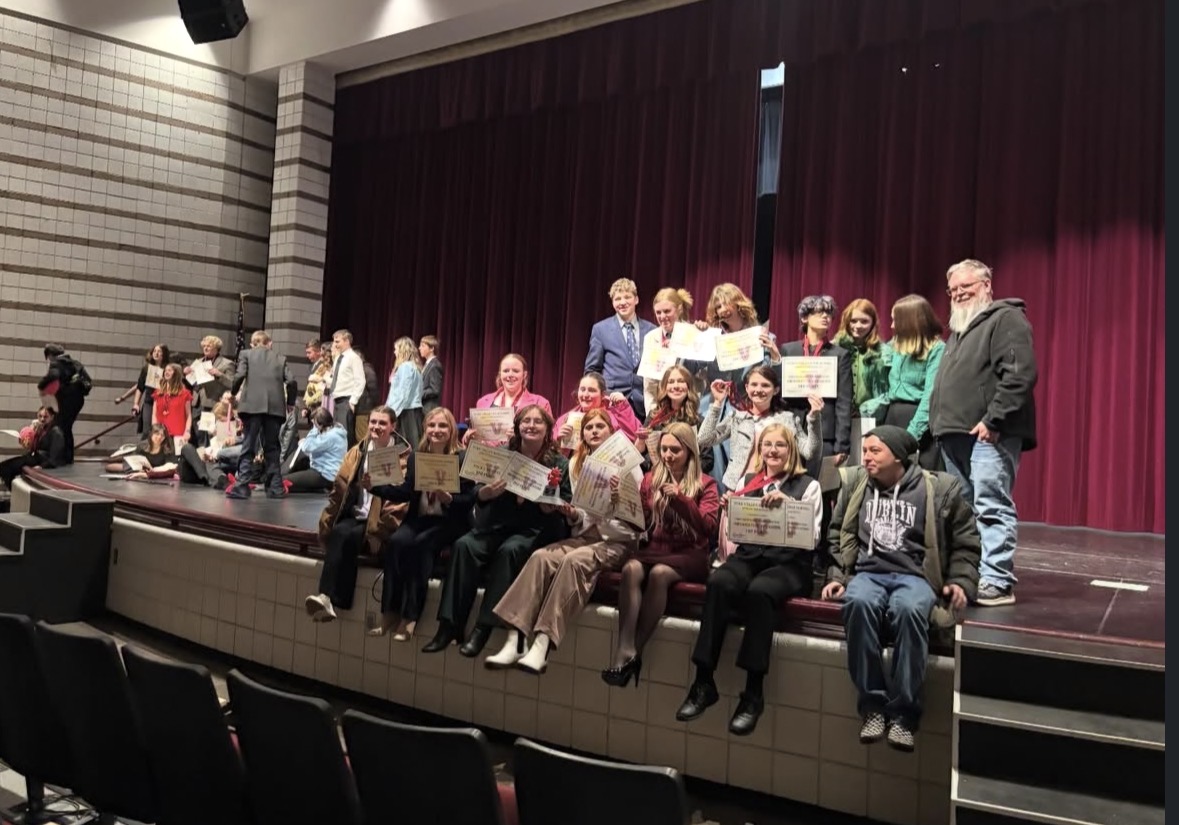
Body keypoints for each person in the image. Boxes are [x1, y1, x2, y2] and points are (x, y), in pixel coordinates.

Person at [821, 425, 980, 751]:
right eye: (864, 451)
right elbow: (837, 533)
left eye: (874, 451)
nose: (865, 457)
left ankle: (905, 714)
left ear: (898, 455)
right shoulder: (856, 485)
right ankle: (873, 707)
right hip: (867, 574)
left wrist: (961, 581)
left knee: (909, 610)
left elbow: (966, 542)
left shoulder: (938, 489)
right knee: (858, 603)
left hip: (916, 578)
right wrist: (838, 576)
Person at [676, 424, 821, 735]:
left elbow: (814, 537)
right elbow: (736, 536)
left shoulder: (808, 486)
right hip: (751, 557)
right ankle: (703, 681)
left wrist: (789, 507)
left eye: (779, 445)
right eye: (766, 445)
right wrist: (732, 512)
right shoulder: (746, 481)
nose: (772, 451)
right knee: (718, 582)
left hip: (789, 563)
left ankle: (753, 693)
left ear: (791, 449)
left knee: (760, 592)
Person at [488, 409, 643, 673]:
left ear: (611, 431)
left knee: (573, 561)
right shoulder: (576, 463)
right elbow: (582, 509)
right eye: (589, 427)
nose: (594, 431)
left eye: (600, 427)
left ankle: (543, 642)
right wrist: (571, 513)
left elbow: (638, 517)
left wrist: (618, 498)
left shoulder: (630, 466)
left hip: (618, 540)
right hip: (585, 535)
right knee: (540, 557)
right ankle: (514, 637)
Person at [423, 404, 572, 657]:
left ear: (547, 429)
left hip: (534, 529)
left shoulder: (559, 462)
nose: (531, 425)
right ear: (518, 426)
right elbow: (475, 492)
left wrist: (551, 507)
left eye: (538, 422)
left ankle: (483, 628)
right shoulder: (503, 453)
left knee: (509, 551)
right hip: (497, 524)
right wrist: (485, 492)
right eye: (526, 421)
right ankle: (449, 626)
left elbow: (565, 501)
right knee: (464, 545)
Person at [930, 259, 1037, 607]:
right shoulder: (959, 329)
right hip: (954, 434)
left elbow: (1019, 374)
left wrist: (994, 420)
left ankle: (998, 579)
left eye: (967, 287)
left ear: (987, 285)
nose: (959, 294)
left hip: (988, 434)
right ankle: (974, 573)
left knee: (991, 504)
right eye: (954, 290)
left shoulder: (1006, 319)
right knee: (964, 511)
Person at [602, 423, 718, 686]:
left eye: (675, 450)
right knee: (631, 568)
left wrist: (681, 499)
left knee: (659, 574)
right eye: (664, 449)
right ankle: (625, 648)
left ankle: (635, 651)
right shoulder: (650, 478)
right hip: (656, 548)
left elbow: (708, 528)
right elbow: (640, 524)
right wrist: (620, 501)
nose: (668, 455)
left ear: (689, 451)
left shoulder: (706, 484)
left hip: (690, 553)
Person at [368, 407, 476, 640]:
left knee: (422, 545)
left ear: (451, 430)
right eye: (432, 425)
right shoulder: (417, 457)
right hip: (420, 518)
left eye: (442, 426)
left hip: (450, 522)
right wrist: (374, 487)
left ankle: (410, 617)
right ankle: (389, 612)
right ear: (425, 428)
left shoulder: (462, 457)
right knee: (397, 542)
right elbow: (406, 492)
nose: (436, 430)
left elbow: (470, 499)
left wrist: (449, 499)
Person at [304, 406, 412, 622]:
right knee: (339, 532)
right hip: (357, 513)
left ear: (393, 426)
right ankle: (326, 597)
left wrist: (381, 532)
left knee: (351, 537)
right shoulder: (358, 451)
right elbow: (340, 487)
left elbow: (400, 501)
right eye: (373, 422)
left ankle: (334, 599)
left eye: (382, 423)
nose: (376, 427)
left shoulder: (403, 457)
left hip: (377, 520)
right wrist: (327, 520)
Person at [698, 364, 822, 494]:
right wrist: (717, 403)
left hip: (775, 490)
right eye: (754, 384)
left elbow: (811, 452)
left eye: (765, 385)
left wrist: (814, 418)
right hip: (738, 491)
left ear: (776, 390)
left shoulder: (787, 419)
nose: (758, 389)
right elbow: (703, 440)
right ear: (746, 387)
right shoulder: (737, 418)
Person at [861, 295, 945, 470]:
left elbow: (930, 397)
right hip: (892, 417)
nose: (891, 326)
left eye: (895, 320)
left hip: (919, 422)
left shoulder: (937, 349)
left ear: (910, 322)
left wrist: (911, 435)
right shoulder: (895, 345)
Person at [779, 295, 853, 473]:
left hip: (825, 433)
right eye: (819, 312)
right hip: (791, 429)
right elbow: (779, 391)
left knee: (821, 489)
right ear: (804, 318)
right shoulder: (789, 350)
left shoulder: (840, 354)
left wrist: (841, 444)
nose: (825, 317)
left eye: (828, 313)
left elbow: (844, 401)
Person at [227, 331, 296, 500]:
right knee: (272, 447)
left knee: (249, 445)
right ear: (269, 343)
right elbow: (292, 381)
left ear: (252, 343)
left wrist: (233, 392)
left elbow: (240, 375)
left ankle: (242, 486)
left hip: (252, 406)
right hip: (274, 408)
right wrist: (291, 402)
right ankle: (275, 488)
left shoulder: (246, 354)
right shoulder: (280, 358)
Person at [584, 278, 657, 419]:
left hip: (644, 403)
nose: (622, 302)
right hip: (613, 403)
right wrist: (604, 395)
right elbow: (592, 370)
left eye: (627, 297)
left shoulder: (652, 330)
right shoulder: (601, 329)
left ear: (636, 299)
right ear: (612, 302)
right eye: (617, 299)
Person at [461, 354, 553, 447]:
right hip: (488, 458)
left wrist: (519, 438)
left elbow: (549, 438)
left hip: (523, 458)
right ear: (500, 374)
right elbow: (478, 439)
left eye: (516, 371)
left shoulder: (540, 403)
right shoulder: (483, 402)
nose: (510, 375)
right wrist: (469, 438)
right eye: (506, 371)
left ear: (524, 375)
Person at [634, 364, 711, 475]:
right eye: (671, 382)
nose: (676, 386)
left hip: (688, 484)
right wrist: (640, 442)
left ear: (688, 386)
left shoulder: (697, 421)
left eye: (680, 381)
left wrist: (682, 473)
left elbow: (707, 460)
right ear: (664, 387)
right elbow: (643, 460)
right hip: (659, 480)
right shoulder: (654, 417)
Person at [640, 288, 696, 415]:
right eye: (658, 312)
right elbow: (649, 384)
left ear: (679, 309)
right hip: (662, 410)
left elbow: (701, 377)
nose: (662, 317)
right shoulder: (650, 337)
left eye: (667, 311)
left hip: (689, 409)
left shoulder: (693, 333)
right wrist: (653, 414)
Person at [553, 372, 641, 451]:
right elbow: (551, 452)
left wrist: (623, 407)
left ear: (602, 395)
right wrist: (557, 439)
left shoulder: (617, 412)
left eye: (591, 390)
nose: (585, 395)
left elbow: (634, 440)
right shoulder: (566, 419)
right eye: (582, 389)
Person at [834, 300, 891, 412]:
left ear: (873, 323)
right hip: (840, 417)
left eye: (864, 321)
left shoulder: (885, 352)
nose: (858, 326)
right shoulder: (835, 348)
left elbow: (890, 391)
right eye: (853, 321)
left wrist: (865, 409)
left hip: (872, 416)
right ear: (846, 321)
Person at [36, 343, 90, 464]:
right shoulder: (75, 363)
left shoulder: (57, 364)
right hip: (79, 400)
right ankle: (68, 458)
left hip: (66, 400)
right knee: (67, 427)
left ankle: (55, 459)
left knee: (59, 427)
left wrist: (41, 385)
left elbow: (54, 375)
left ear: (50, 355)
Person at [0, 406, 67, 489]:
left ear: (52, 417)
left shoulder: (56, 432)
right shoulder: (41, 429)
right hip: (34, 457)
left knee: (6, 468)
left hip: (41, 460)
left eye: (45, 417)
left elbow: (55, 457)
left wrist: (42, 466)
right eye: (40, 416)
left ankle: (13, 491)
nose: (42, 419)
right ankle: (13, 491)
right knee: (4, 467)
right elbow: (32, 447)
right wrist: (32, 434)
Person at [283, 408, 347, 493]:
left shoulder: (330, 436)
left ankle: (280, 477)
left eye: (314, 423)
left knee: (284, 480)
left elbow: (307, 446)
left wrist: (314, 429)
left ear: (321, 424)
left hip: (324, 475)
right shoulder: (336, 431)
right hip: (329, 474)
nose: (314, 426)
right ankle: (319, 488)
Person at [184, 335, 236, 438]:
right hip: (196, 403)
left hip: (212, 402)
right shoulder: (198, 362)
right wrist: (186, 374)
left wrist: (219, 374)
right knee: (197, 434)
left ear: (216, 348)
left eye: (209, 346)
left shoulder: (227, 363)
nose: (205, 348)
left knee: (209, 435)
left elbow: (232, 384)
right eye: (204, 346)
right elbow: (191, 383)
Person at [327, 329, 367, 448]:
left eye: (338, 341)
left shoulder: (353, 358)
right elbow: (336, 379)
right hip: (337, 400)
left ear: (347, 341)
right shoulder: (339, 358)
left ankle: (348, 463)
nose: (335, 344)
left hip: (346, 400)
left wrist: (353, 401)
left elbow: (360, 380)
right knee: (337, 434)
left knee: (345, 435)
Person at [386, 336, 425, 448]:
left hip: (405, 412)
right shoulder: (415, 367)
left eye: (396, 349)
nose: (394, 352)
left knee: (405, 446)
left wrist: (391, 413)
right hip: (413, 411)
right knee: (414, 443)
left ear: (402, 350)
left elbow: (402, 393)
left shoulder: (405, 367)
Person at [151, 363, 194, 448]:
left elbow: (188, 415)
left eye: (170, 370)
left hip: (177, 434)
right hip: (160, 434)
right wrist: (154, 429)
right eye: (166, 370)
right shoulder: (158, 393)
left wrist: (187, 431)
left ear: (176, 373)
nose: (166, 372)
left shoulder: (184, 394)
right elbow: (154, 414)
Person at [131, 344, 170, 436]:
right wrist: (136, 404)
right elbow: (140, 387)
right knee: (147, 430)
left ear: (163, 354)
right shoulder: (146, 369)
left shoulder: (167, 369)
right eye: (154, 351)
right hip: (149, 402)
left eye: (159, 351)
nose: (156, 353)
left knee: (161, 431)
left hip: (163, 404)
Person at [352, 348, 382, 446]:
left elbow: (373, 388)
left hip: (364, 409)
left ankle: (365, 459)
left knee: (363, 438)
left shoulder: (366, 369)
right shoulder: (361, 369)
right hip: (361, 409)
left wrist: (374, 407)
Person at [419, 336, 444, 414]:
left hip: (429, 409)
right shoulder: (427, 364)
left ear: (432, 348)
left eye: (423, 346)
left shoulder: (435, 365)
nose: (419, 348)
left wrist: (418, 394)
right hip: (423, 407)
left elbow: (434, 389)